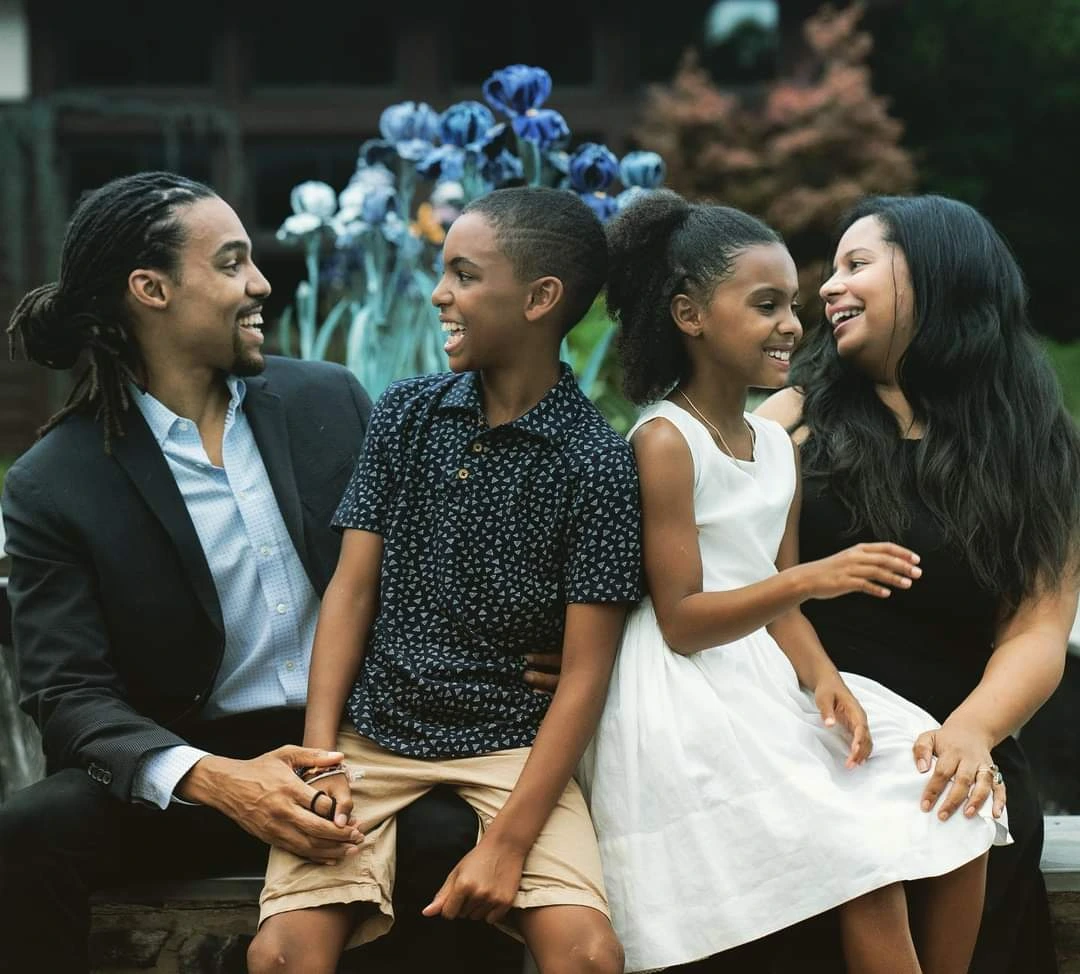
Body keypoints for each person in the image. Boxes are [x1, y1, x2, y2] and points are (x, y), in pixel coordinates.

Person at [0, 170, 533, 974]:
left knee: (449, 835)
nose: (260, 283)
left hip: (362, 750)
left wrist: (544, 646)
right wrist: (221, 781)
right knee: (30, 831)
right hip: (188, 769)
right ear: (150, 289)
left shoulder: (334, 402)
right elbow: (66, 695)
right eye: (229, 263)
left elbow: (445, 569)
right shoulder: (54, 481)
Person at [578, 188, 1009, 974]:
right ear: (689, 315)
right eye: (767, 305)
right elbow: (682, 619)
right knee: (862, 861)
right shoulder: (665, 441)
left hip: (766, 674)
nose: (792, 325)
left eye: (794, 305)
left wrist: (823, 679)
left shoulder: (776, 445)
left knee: (960, 811)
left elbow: (777, 588)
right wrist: (818, 576)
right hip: (686, 690)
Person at [245, 185, 643, 974]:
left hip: (510, 748)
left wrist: (509, 843)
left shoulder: (597, 463)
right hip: (372, 738)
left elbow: (585, 673)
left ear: (540, 299)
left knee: (589, 957)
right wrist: (321, 761)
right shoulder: (406, 413)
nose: (439, 294)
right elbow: (350, 593)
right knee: (283, 956)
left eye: (463, 275)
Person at [756, 193, 1080, 974]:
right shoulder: (792, 418)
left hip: (965, 737)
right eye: (831, 269)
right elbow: (758, 592)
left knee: (976, 817)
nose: (828, 287)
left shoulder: (1038, 442)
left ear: (938, 277)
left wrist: (973, 733)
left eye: (856, 264)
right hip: (817, 735)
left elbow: (1037, 627)